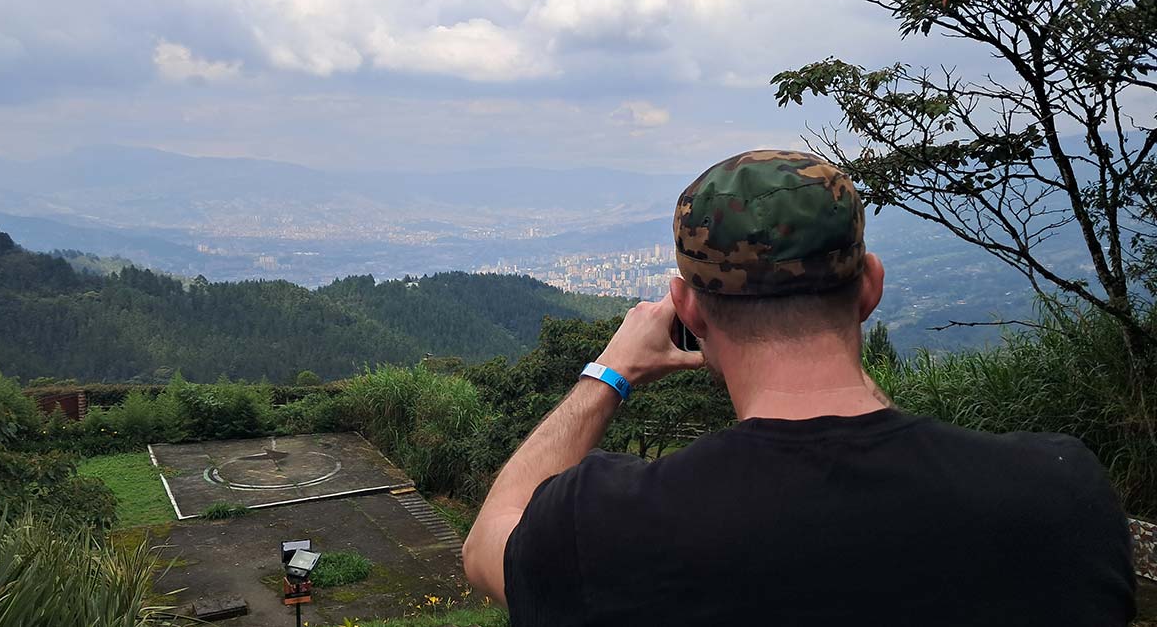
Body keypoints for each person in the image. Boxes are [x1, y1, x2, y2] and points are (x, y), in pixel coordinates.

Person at [462, 150, 1136, 626]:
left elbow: (488, 541)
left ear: (689, 311)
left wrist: (607, 375)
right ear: (870, 285)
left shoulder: (609, 525)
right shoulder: (1059, 495)